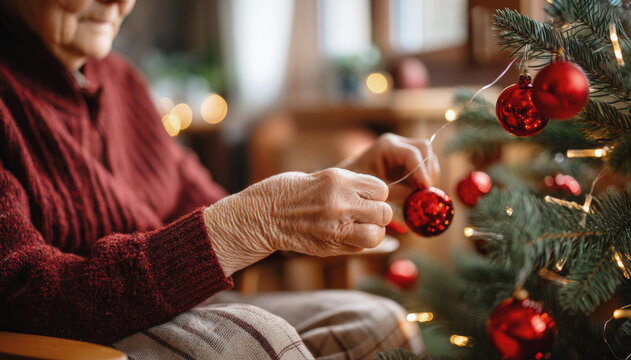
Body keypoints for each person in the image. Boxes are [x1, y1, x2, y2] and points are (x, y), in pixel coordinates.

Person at [0, 0, 439, 358]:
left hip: (173, 309)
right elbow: (21, 295)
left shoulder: (124, 83)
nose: (119, 2)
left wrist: (328, 191)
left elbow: (207, 209)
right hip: (67, 338)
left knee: (378, 323)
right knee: (252, 342)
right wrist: (251, 222)